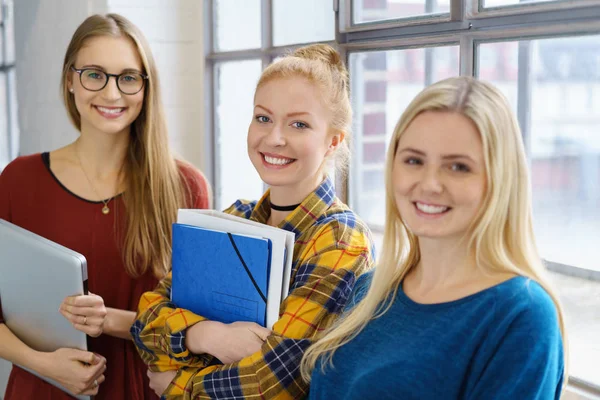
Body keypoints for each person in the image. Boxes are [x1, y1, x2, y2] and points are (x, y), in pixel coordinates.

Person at [131, 44, 375, 399]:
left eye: (299, 124)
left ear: (332, 141)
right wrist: (206, 335)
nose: (274, 138)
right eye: (263, 117)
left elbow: (275, 379)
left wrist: (178, 386)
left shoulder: (339, 239)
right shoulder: (234, 218)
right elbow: (146, 321)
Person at [302, 76, 567, 400]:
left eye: (458, 167)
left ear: (500, 179)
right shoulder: (369, 289)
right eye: (414, 160)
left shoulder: (521, 316)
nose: (429, 184)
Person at [0, 13, 210, 400]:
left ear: (146, 89)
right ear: (70, 79)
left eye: (128, 78)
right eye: (94, 74)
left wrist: (108, 321)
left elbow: (197, 325)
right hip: (40, 387)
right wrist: (43, 365)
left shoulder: (185, 187)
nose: (112, 94)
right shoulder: (18, 180)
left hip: (144, 389)